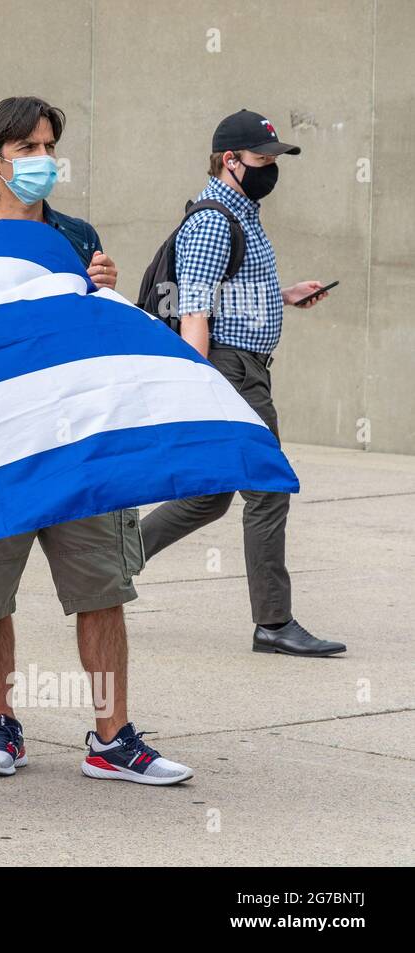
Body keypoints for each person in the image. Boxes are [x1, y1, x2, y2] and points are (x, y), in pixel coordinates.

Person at [0, 96, 193, 785]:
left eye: (49, 146)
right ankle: (2, 725)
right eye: (26, 149)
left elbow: (98, 343)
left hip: (77, 446)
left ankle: (112, 741)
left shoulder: (77, 235)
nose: (42, 161)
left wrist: (103, 294)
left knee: (101, 590)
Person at [140, 109, 344, 658]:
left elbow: (227, 297)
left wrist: (284, 296)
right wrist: (197, 388)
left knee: (209, 498)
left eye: (275, 158)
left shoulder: (242, 212)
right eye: (261, 159)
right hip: (228, 372)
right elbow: (195, 309)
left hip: (245, 367)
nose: (270, 168)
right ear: (229, 160)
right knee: (269, 487)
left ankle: (108, 569)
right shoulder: (212, 219)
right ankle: (273, 623)